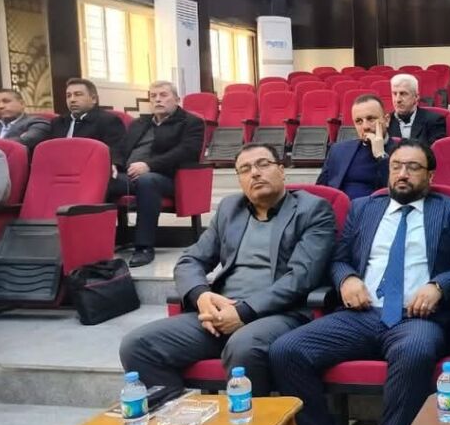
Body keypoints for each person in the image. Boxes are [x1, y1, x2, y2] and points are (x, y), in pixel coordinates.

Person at [271, 139, 450, 425]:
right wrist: (347, 279)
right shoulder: (363, 208)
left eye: (413, 167)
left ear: (430, 176)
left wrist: (439, 285)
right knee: (286, 350)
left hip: (417, 318)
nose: (403, 174)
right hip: (361, 315)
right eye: (396, 166)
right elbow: (338, 259)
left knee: (414, 351)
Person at [119, 143, 336, 397]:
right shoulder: (229, 209)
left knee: (242, 346)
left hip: (279, 314)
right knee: (137, 346)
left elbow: (301, 278)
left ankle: (252, 419)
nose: (255, 173)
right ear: (239, 180)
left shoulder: (313, 210)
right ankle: (176, 413)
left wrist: (242, 312)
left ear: (281, 170)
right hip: (221, 313)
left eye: (263, 164)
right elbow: (190, 260)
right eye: (245, 169)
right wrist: (201, 296)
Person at [107, 81, 205, 267]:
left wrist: (149, 165)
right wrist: (114, 164)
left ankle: (144, 247)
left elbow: (186, 152)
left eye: (163, 95)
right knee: (99, 180)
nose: (158, 99)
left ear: (177, 99)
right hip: (129, 175)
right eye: (153, 96)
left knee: (147, 181)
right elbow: (120, 148)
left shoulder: (191, 122)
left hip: (168, 178)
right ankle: (99, 244)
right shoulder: (139, 123)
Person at [316, 94, 399, 200]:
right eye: (359, 121)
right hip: (340, 208)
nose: (365, 127)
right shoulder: (338, 150)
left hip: (377, 208)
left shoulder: (403, 151)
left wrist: (381, 155)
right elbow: (319, 191)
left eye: (371, 119)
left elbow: (399, 192)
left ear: (386, 120)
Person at [48, 78, 125, 162]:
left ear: (93, 99)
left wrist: (114, 164)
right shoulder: (57, 122)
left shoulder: (108, 121)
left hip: (90, 166)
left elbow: (115, 153)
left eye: (78, 94)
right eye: (68, 96)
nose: (72, 100)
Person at [387, 73, 446, 147]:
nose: (397, 100)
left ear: (416, 97)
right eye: (394, 94)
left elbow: (436, 152)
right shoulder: (386, 122)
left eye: (403, 94)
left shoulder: (434, 121)